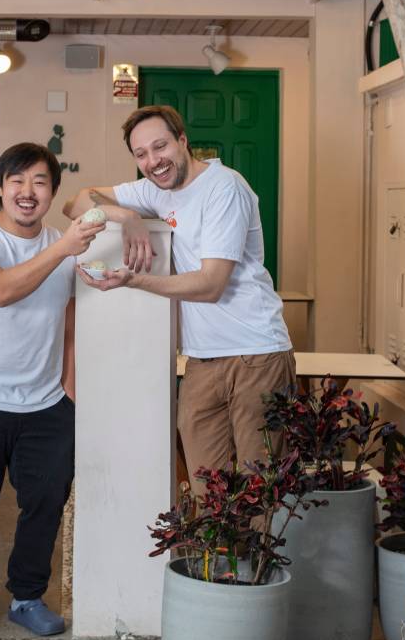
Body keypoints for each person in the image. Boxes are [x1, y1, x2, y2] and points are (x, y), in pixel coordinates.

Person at [64, 105, 294, 494]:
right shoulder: (155, 190)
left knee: (261, 496)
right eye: (141, 154)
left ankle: (255, 559)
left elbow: (210, 284)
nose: (153, 161)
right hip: (202, 360)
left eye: (160, 146)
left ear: (183, 141)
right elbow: (76, 201)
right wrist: (126, 216)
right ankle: (219, 559)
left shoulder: (225, 187)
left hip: (256, 355)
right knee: (207, 494)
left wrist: (136, 280)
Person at [0, 142, 104, 640]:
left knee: (46, 503)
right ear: (0, 186)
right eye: (17, 181)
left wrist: (71, 385)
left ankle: (28, 597)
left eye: (39, 182)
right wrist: (60, 249)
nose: (27, 192)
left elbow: (72, 315)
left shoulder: (65, 244)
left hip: (46, 402)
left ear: (54, 192)